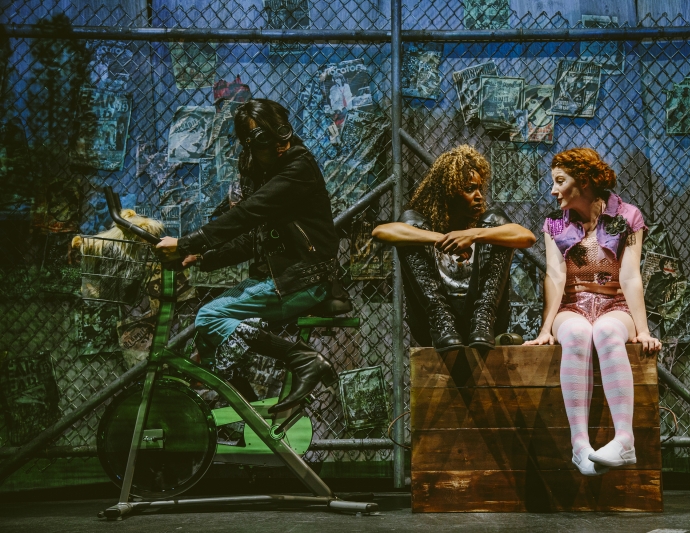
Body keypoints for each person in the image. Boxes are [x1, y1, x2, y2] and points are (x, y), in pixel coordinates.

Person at [156, 98, 344, 414]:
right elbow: (251, 239)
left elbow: (248, 214)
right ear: (249, 144)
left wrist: (187, 243)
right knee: (207, 340)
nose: (282, 145)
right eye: (266, 139)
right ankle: (250, 413)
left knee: (209, 317)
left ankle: (303, 359)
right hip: (281, 279)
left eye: (283, 133)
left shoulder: (299, 168)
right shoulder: (261, 173)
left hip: (304, 279)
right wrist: (202, 256)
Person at [524, 148, 661, 476]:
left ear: (583, 181)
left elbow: (630, 275)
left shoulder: (627, 216)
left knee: (606, 331)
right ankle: (580, 447)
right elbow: (555, 275)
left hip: (615, 305)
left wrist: (642, 330)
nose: (553, 190)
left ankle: (624, 441)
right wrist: (545, 330)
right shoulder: (554, 223)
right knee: (576, 333)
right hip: (573, 306)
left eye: (560, 181)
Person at [372, 145, 536, 352]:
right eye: (469, 189)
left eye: (480, 188)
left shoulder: (483, 227)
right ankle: (441, 319)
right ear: (448, 192)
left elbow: (527, 237)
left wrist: (474, 235)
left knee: (497, 224)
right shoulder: (424, 226)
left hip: (484, 323)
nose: (479, 196)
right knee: (410, 224)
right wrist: (439, 239)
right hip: (435, 325)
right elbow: (380, 232)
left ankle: (483, 317)